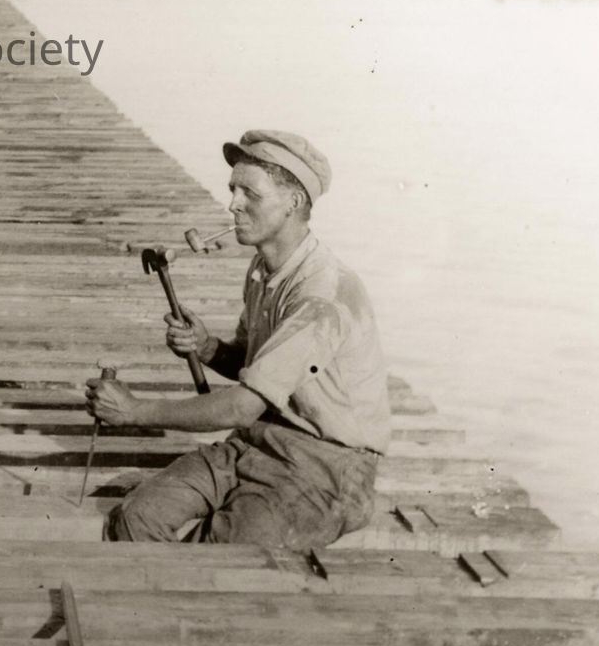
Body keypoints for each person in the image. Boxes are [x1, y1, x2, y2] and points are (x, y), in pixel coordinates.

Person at [86, 129, 389, 547]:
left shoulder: (320, 296)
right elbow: (253, 364)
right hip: (256, 442)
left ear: (293, 202)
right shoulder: (264, 270)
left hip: (326, 469)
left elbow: (244, 405)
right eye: (233, 190)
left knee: (218, 554)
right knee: (136, 516)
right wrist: (207, 348)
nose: (233, 204)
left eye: (251, 193)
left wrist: (134, 411)